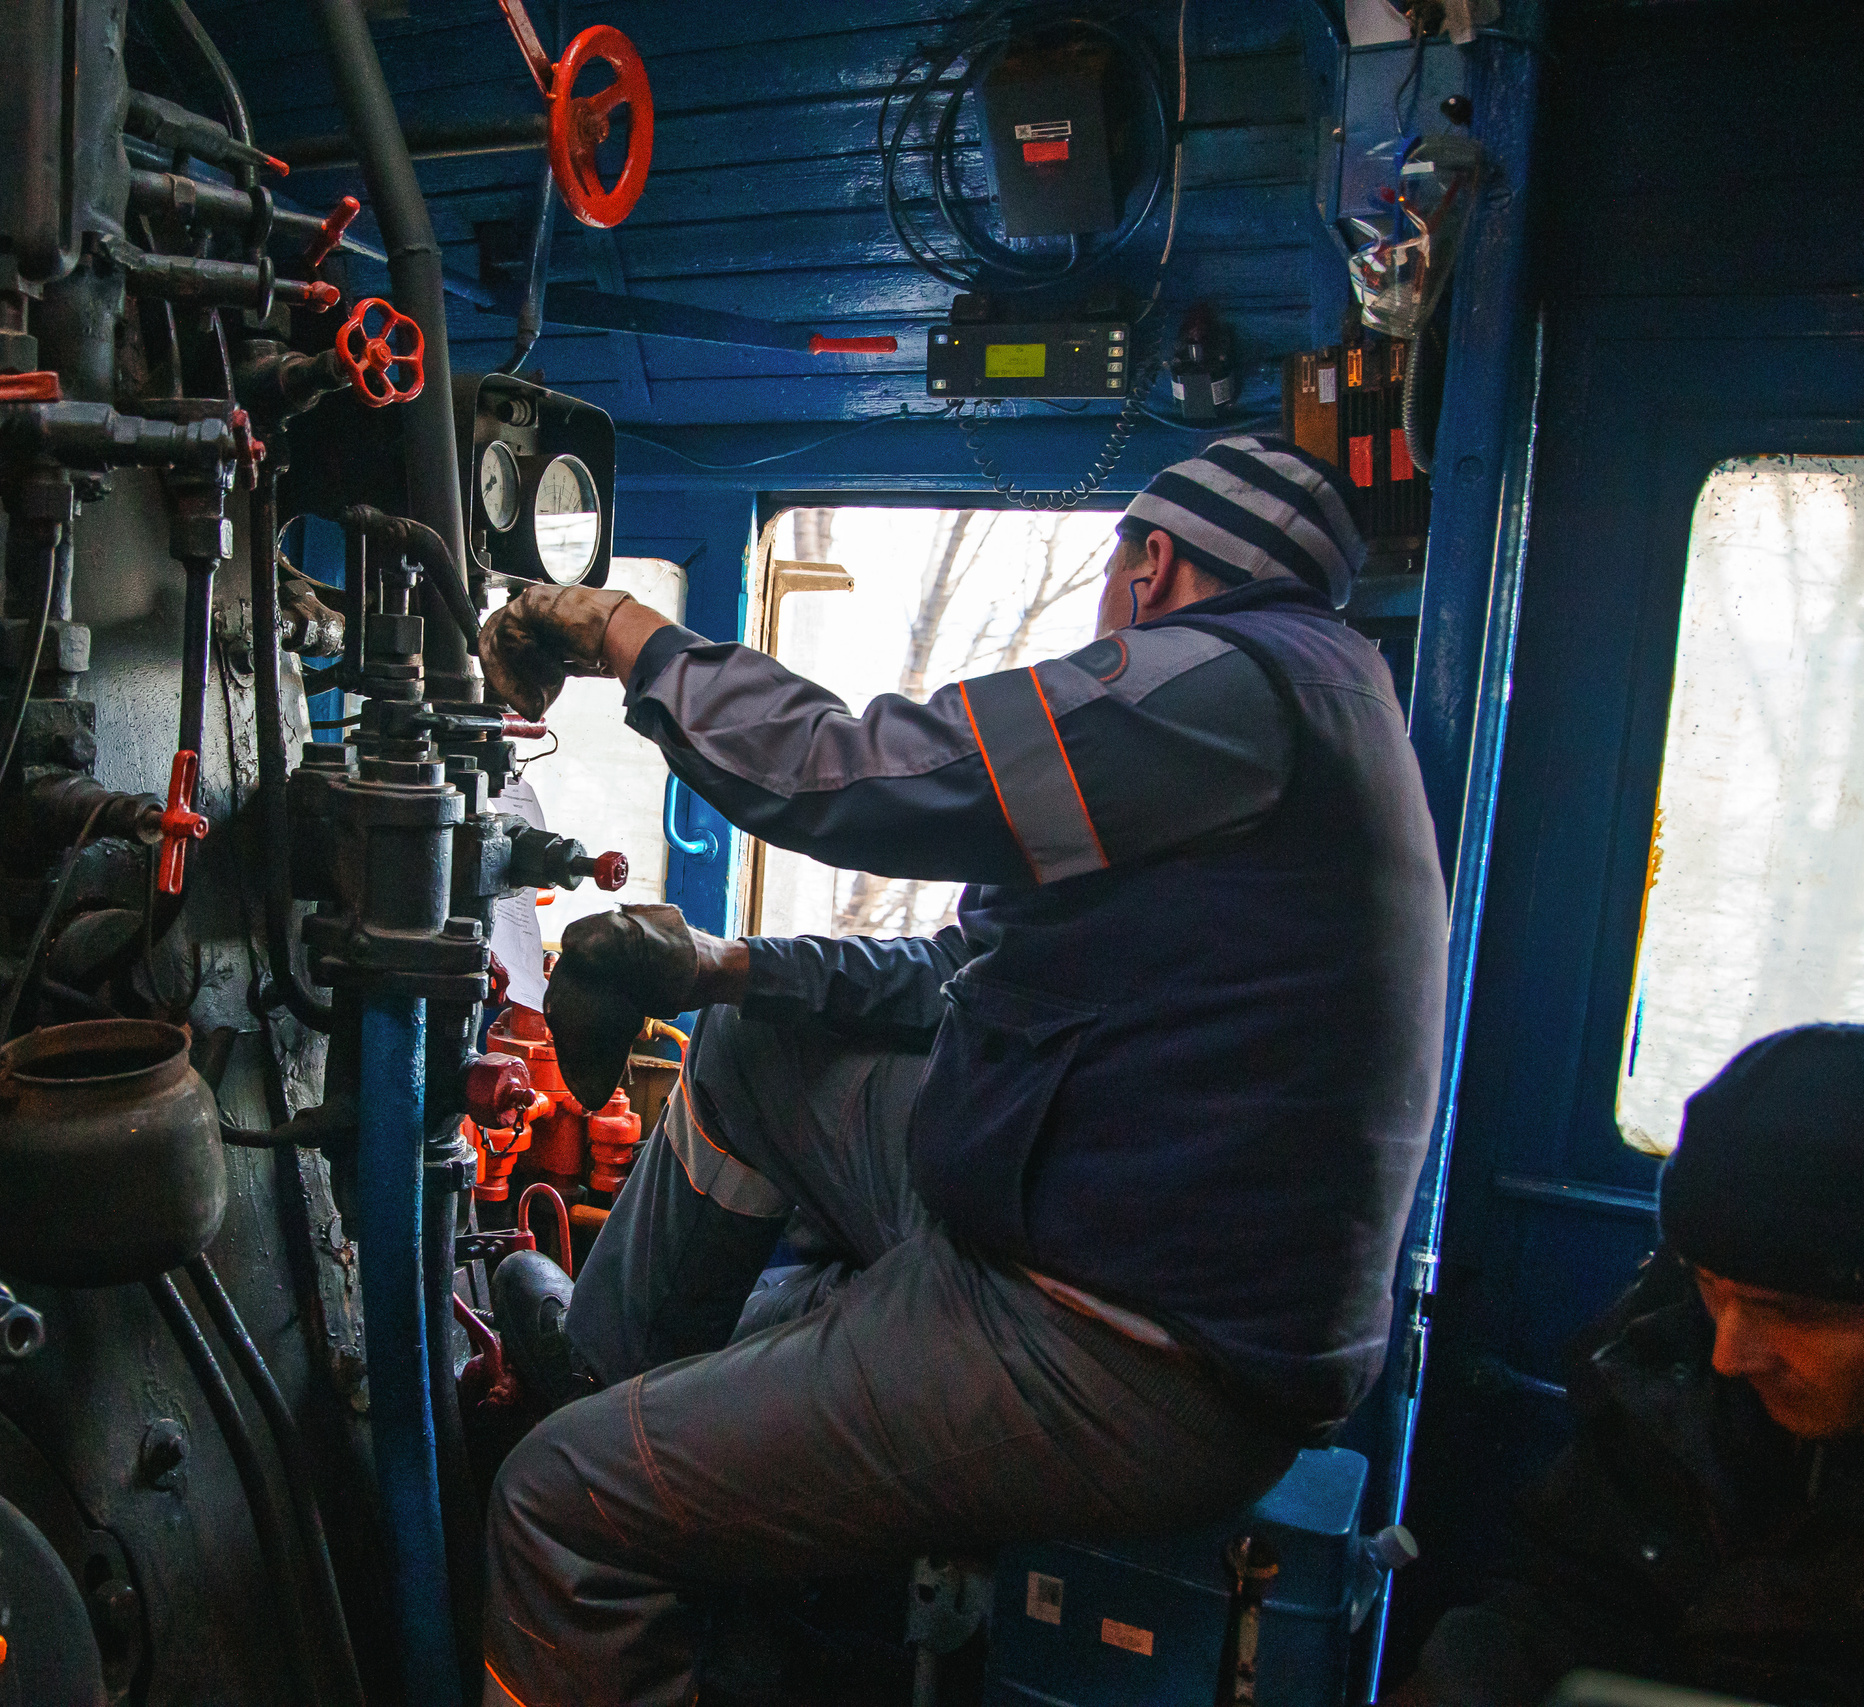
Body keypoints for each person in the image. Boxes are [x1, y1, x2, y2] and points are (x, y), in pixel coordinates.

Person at [469, 437, 1452, 1707]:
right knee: (759, 1042)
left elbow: (843, 771)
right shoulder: (1319, 709)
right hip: (1078, 1229)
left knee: (554, 1504)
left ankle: (597, 1478)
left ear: (1151, 569)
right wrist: (724, 966)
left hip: (1111, 1345)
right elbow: (967, 979)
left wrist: (616, 631)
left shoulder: (1229, 690)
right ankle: (604, 1377)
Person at [1391, 1024, 1864, 1707]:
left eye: (1786, 1310)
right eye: (1709, 1284)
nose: (1730, 1353)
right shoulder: (1670, 1350)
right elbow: (1572, 1594)